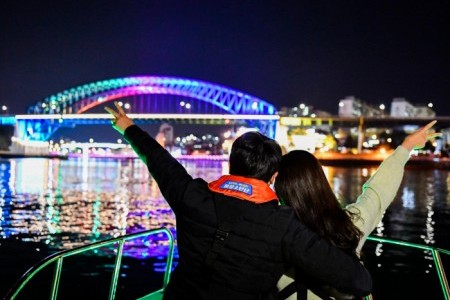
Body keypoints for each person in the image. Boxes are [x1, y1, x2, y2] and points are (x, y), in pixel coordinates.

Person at [105, 101, 372, 300]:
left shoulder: (192, 196)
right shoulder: (284, 227)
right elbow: (359, 281)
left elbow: (159, 160)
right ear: (274, 176)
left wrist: (128, 127)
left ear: (231, 164)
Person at [275, 120, 439, 300]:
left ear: (281, 188)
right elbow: (377, 192)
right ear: (320, 183)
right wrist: (407, 146)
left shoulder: (271, 231)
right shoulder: (347, 226)